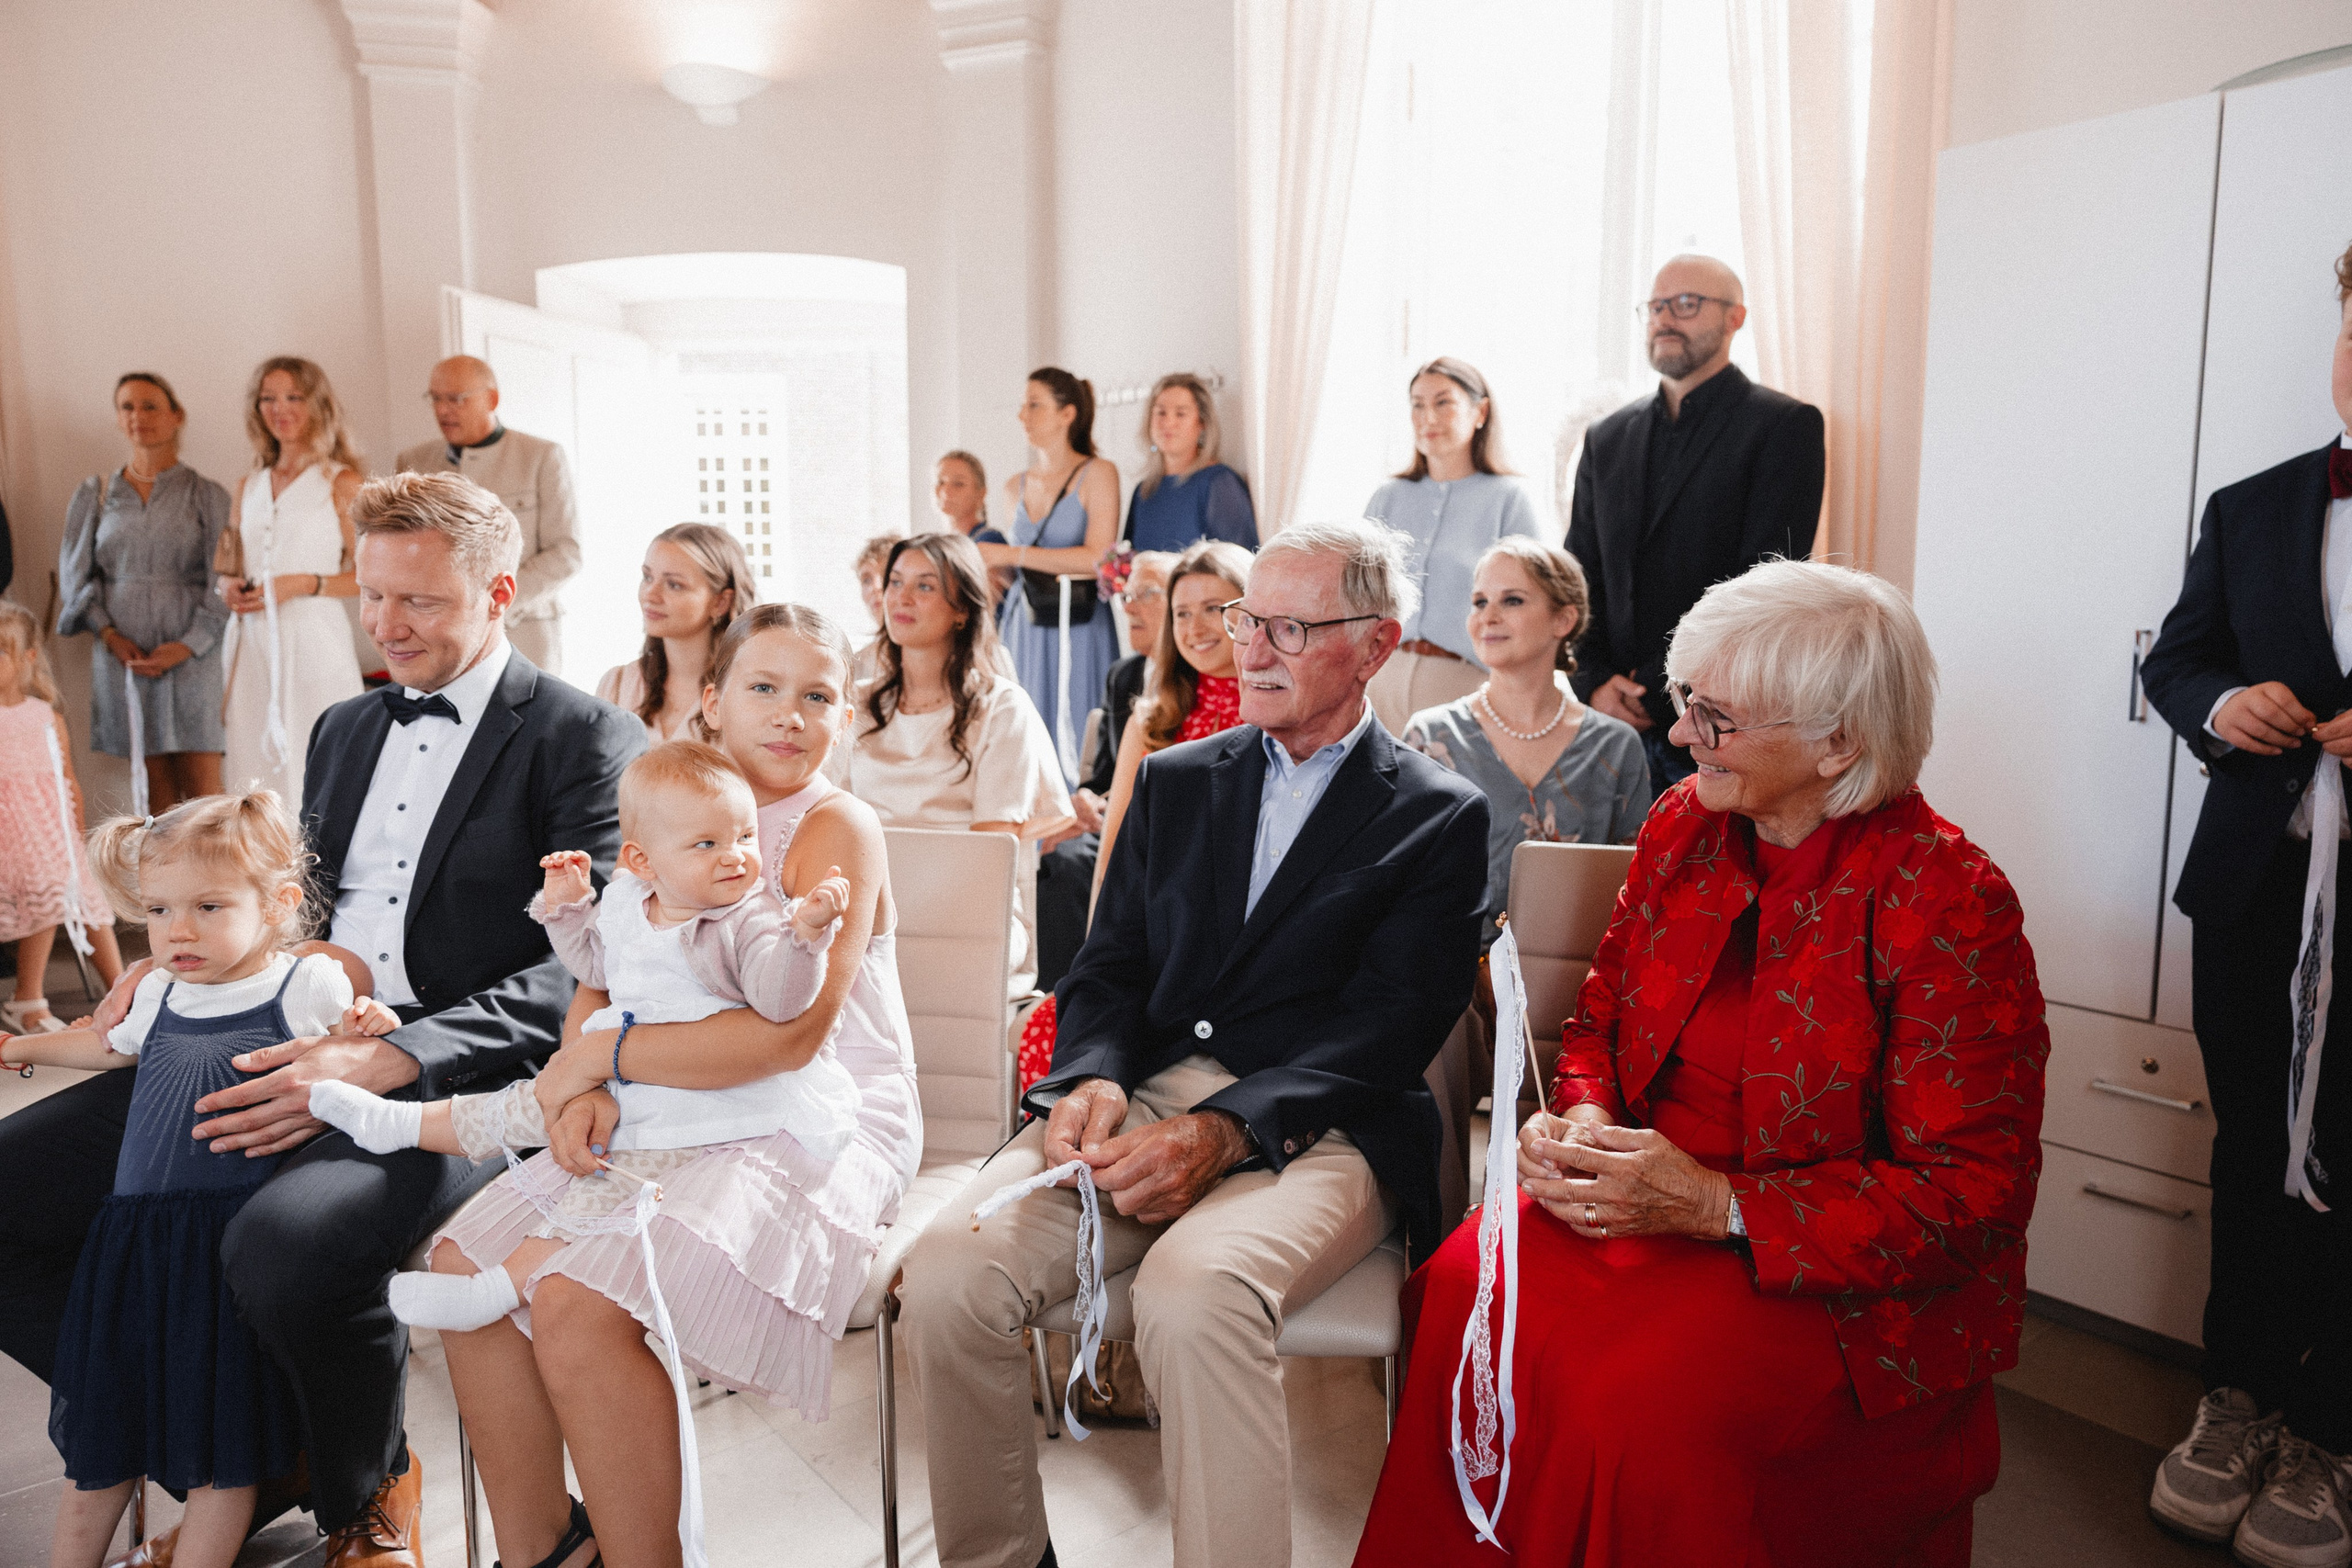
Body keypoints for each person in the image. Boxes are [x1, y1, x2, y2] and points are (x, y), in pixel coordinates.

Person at [0, 470, 641, 1568]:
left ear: (499, 592)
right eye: (372, 598)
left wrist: (387, 1054)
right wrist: (185, 973)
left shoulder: (583, 737)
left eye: (421, 604)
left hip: (455, 1081)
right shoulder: (346, 727)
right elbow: (301, 904)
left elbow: (579, 975)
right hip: (275, 1027)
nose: (386, 628)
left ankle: (366, 1485)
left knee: (286, 1244)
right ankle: (231, 1456)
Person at [1356, 559, 2047, 1567]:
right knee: (1461, 1289)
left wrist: (1713, 1206)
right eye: (1685, 704)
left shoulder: (1948, 902)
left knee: (1631, 1405)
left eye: (1713, 718)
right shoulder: (1686, 823)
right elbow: (1595, 1024)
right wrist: (1587, 1123)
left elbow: (1970, 1197)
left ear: (1837, 741)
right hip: (1643, 1192)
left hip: (1817, 1275)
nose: (1679, 737)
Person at [901, 518, 1490, 1568]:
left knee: (1193, 1291)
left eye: (1290, 628)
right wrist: (1086, 1080)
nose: (1250, 648)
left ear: (1376, 645)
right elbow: (1109, 967)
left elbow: (1389, 1029)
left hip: (1327, 1124)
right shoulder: (1178, 780)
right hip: (1145, 1098)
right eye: (1244, 618)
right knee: (947, 1275)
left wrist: (1222, 1130)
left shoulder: (1437, 817)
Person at [419, 603, 919, 1568]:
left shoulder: (837, 826)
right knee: (458, 1271)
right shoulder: (669, 809)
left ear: (845, 716)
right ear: (711, 703)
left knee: (571, 1299)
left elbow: (789, 1038)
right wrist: (585, 1090)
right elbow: (603, 980)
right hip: (660, 1097)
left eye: (817, 695)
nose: (788, 715)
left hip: (813, 1112)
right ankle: (546, 1550)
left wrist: (600, 1063)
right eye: (762, 689)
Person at [311, 737, 859, 1338]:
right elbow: (597, 968)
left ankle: (490, 1290)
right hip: (626, 1070)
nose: (735, 857)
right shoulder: (631, 901)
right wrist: (570, 912)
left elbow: (782, 1000)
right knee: (523, 1102)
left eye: (745, 837)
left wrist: (805, 938)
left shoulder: (746, 921)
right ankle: (395, 1125)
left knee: (595, 1193)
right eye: (707, 844)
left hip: (697, 1093)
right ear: (643, 862)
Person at [0, 794, 379, 1568]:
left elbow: (352, 1058)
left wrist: (367, 1026)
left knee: (220, 1453)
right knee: (100, 1440)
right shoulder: (162, 990)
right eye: (160, 909)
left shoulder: (299, 988)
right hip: (134, 1241)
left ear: (278, 904)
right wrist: (23, 1049)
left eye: (208, 906)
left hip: (220, 1244)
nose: (177, 930)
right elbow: (107, 1048)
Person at [2136, 241, 2352, 1561]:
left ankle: (2329, 1425)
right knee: (2249, 1140)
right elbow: (2180, 654)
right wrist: (2218, 704)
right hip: (2253, 882)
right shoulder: (2257, 499)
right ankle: (2239, 1394)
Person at [1566, 254, 1826, 795]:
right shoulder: (1606, 438)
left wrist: (1684, 692)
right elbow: (1580, 573)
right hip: (1609, 719)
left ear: (1736, 318)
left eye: (1686, 304)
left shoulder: (1784, 426)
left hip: (1718, 720)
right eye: (1656, 307)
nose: (1666, 319)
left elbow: (1767, 585)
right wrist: (1590, 681)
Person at [1018, 540, 1250, 1089]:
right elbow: (1115, 849)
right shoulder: (1154, 717)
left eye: (1214, 609)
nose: (1195, 627)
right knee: (1061, 1025)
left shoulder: (1280, 711)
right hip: (1156, 925)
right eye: (1182, 613)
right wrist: (1094, 957)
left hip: (1240, 931)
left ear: (1251, 609)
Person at [841, 532, 1072, 995]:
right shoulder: (856, 705)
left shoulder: (1002, 708)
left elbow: (989, 855)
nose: (901, 598)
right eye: (895, 582)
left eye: (925, 586)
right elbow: (828, 821)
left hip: (967, 913)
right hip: (867, 903)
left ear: (962, 610)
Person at [1401, 537, 1651, 947]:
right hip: (1449, 979)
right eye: (1479, 602)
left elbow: (1634, 893)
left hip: (1576, 980)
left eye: (1512, 600)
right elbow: (1404, 884)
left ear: (1563, 620)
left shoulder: (1615, 745)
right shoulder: (1429, 737)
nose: (1488, 617)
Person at [55, 372, 232, 811]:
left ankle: (224, 880)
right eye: (127, 407)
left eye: (150, 406)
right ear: (118, 419)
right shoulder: (95, 495)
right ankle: (168, 880)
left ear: (177, 416)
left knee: (207, 793)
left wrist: (189, 646)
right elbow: (77, 579)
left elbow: (225, 579)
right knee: (154, 797)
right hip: (125, 658)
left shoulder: (206, 495)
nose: (138, 417)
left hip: (196, 656)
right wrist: (110, 636)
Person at [1363, 357, 1544, 735]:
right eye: (1418, 404)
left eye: (1443, 402)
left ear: (1481, 411)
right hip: (1382, 679)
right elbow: (1360, 594)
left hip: (1466, 684)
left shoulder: (1510, 498)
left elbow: (1531, 604)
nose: (1428, 417)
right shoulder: (1387, 497)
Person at [220, 356, 366, 807]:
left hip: (313, 636)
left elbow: (369, 575)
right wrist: (226, 586)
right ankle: (264, 869)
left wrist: (304, 583)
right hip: (252, 640)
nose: (279, 408)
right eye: (268, 398)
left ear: (317, 404)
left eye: (293, 397)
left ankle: (327, 866)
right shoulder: (249, 484)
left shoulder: (342, 482)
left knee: (320, 750)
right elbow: (229, 561)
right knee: (250, 757)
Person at [1035, 548, 1176, 994]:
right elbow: (1104, 773)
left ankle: (1098, 989)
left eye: (1146, 594)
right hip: (1115, 819)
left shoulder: (1201, 680)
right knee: (1056, 854)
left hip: (1165, 827)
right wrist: (1084, 798)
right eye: (1127, 594)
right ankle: (1061, 995)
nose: (1128, 606)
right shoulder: (1124, 674)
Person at [971, 367, 1123, 783]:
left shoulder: (1099, 473)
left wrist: (1010, 552)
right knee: (1026, 720)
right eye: (1023, 405)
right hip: (1026, 621)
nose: (1023, 415)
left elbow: (1097, 557)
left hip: (1080, 622)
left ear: (1067, 413)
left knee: (1080, 715)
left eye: (1034, 404)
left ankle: (1082, 832)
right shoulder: (1012, 487)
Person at [394, 355, 582, 674]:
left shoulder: (541, 456)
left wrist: (490, 605)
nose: (442, 410)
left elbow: (566, 554)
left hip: (524, 633)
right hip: (438, 639)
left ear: (491, 399)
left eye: (455, 399)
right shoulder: (413, 462)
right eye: (435, 398)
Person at [0, 601, 124, 1033]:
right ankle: (27, 1000)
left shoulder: (46, 716)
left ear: (27, 658)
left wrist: (75, 838)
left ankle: (123, 994)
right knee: (54, 889)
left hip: (52, 836)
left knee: (89, 898)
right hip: (8, 842)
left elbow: (67, 781)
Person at [595, 524, 758, 742]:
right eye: (647, 577)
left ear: (721, 602)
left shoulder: (750, 694)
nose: (650, 595)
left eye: (674, 585)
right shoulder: (617, 685)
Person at [1125, 373, 1257, 553]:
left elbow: (1240, 563)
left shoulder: (1219, 483)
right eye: (1161, 412)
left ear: (1202, 423)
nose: (1168, 422)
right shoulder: (1143, 492)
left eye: (1180, 414)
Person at [935, 448, 1014, 605]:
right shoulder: (941, 547)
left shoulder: (989, 541)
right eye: (940, 482)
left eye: (958, 484)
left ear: (981, 493)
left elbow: (983, 609)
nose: (946, 491)